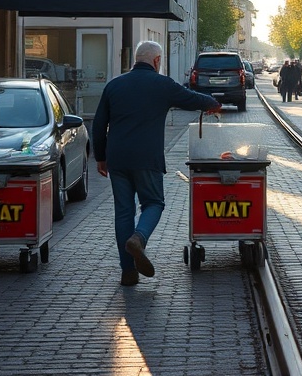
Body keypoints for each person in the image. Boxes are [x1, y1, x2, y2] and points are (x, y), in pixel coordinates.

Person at [92, 40, 221, 287]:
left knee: (124, 212)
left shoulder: (114, 85)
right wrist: (213, 104)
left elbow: (99, 125)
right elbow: (191, 99)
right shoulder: (162, 85)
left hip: (117, 158)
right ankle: (139, 238)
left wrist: (101, 157)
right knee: (153, 203)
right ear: (157, 61)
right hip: (146, 158)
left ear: (136, 60)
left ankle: (127, 272)